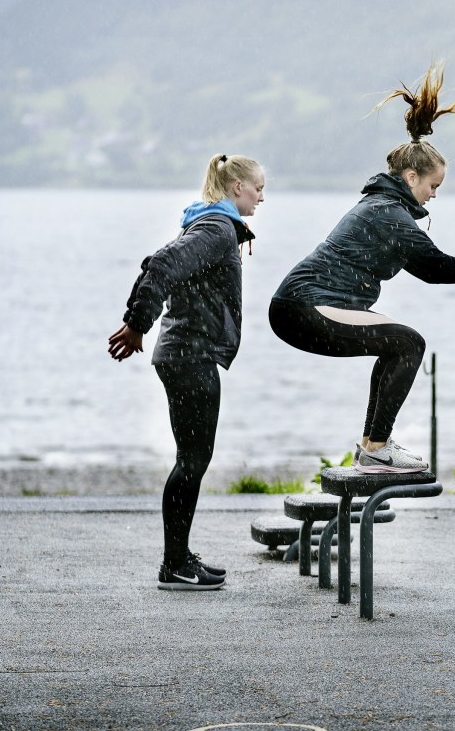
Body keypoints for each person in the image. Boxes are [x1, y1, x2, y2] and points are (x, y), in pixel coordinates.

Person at [270, 63, 455, 474]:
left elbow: (423, 269)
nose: (434, 195)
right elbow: (435, 265)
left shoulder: (384, 209)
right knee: (408, 343)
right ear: (411, 177)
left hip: (301, 306)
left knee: (398, 343)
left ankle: (373, 446)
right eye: (433, 186)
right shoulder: (388, 213)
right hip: (303, 306)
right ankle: (377, 448)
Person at [108, 153, 266, 590]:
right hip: (189, 357)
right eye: (258, 188)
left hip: (186, 354)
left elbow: (161, 265)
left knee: (192, 459)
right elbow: (161, 265)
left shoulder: (207, 225)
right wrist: (137, 323)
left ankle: (178, 558)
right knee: (192, 460)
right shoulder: (216, 229)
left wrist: (138, 321)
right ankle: (174, 564)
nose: (261, 196)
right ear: (236, 188)